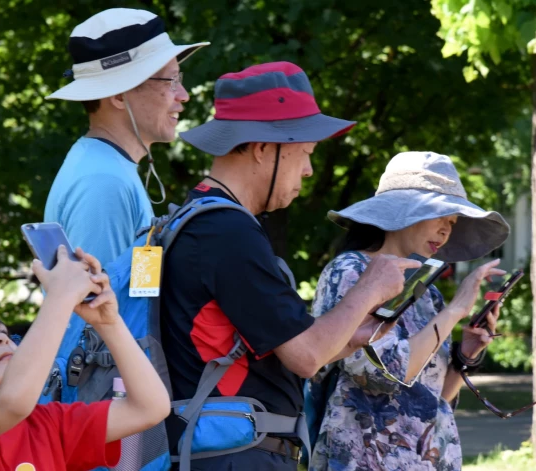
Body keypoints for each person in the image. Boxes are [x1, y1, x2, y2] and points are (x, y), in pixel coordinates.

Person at [160, 61, 422, 470]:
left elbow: (279, 349)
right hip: (235, 458)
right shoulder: (227, 231)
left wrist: (349, 335)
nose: (309, 170)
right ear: (264, 149)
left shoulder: (200, 220)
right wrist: (370, 286)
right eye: (305, 153)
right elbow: (305, 356)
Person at [307, 151, 511, 471]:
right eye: (440, 216)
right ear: (404, 210)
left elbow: (433, 397)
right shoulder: (352, 271)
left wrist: (465, 356)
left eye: (452, 222)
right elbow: (382, 376)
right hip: (363, 459)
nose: (446, 231)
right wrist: (457, 309)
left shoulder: (426, 292)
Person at [0, 246, 170, 470]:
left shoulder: (48, 422)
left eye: (2, 331)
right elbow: (12, 402)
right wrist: (60, 298)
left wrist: (109, 323)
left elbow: (150, 408)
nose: (1, 338)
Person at [44, 8, 209, 265]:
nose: (183, 95)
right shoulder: (104, 182)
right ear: (120, 95)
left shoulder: (109, 167)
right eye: (171, 80)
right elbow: (93, 305)